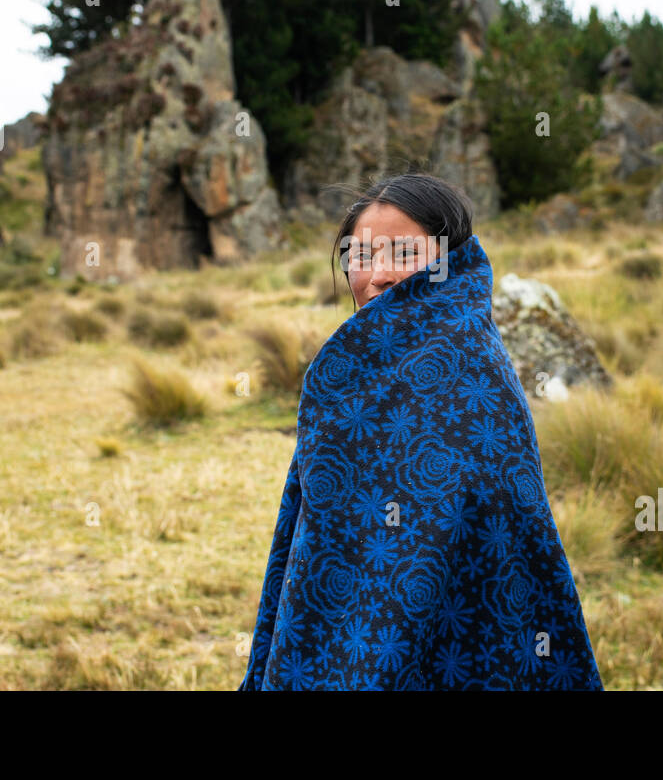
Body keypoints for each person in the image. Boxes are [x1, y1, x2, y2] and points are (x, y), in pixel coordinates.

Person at [238, 173, 603, 690]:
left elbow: (486, 536)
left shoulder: (474, 374)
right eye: (360, 256)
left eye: (404, 253)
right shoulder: (351, 373)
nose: (378, 276)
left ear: (448, 264)